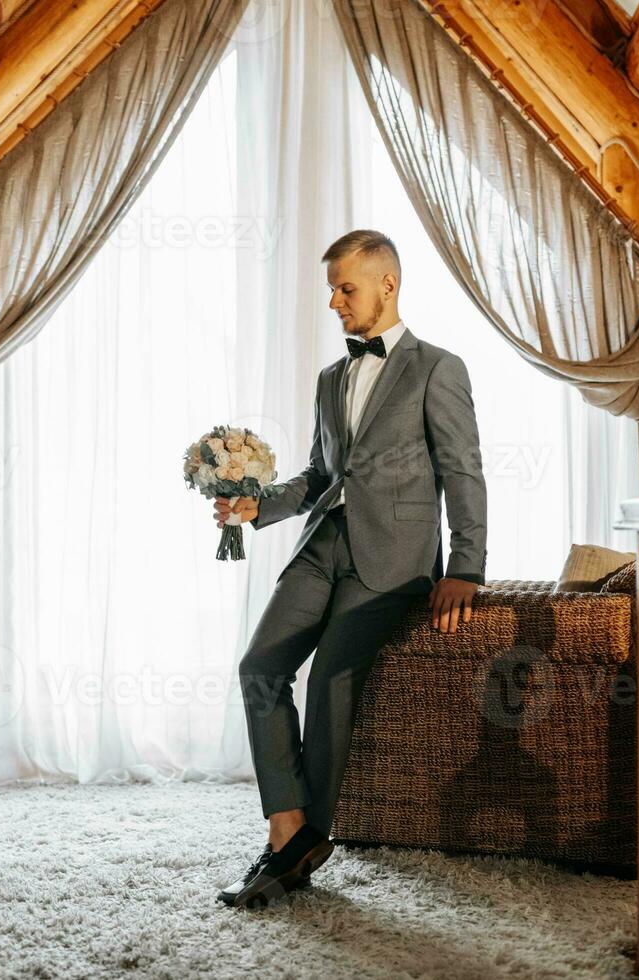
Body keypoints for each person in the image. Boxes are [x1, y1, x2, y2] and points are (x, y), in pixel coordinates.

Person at [213, 229, 487, 908]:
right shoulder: (331, 379)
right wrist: (257, 506)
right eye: (332, 289)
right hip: (323, 546)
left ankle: (299, 844)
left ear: (387, 286)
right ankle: (291, 830)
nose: (335, 302)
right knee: (260, 668)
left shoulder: (438, 368)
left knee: (332, 679)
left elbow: (462, 470)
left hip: (393, 562)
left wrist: (467, 567)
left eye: (346, 288)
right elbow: (317, 476)